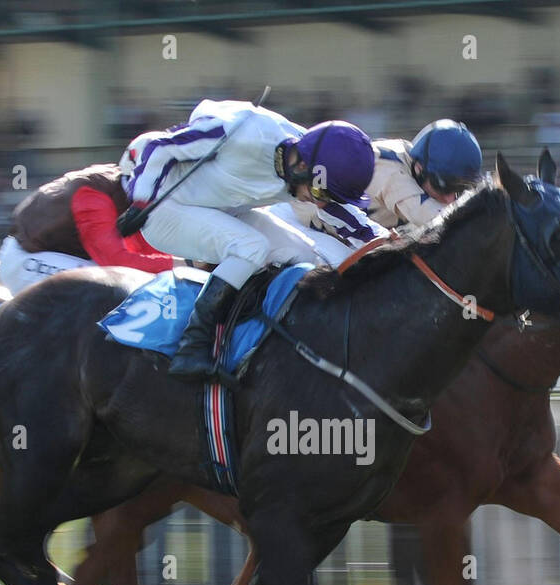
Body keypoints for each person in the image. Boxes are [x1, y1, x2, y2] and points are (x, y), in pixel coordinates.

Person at [118, 100, 383, 383]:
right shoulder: (243, 133)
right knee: (251, 246)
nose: (318, 202)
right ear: (303, 164)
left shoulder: (312, 162)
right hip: (165, 209)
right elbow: (159, 146)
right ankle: (192, 347)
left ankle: (264, 335)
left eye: (328, 195)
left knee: (304, 256)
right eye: (319, 192)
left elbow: (345, 215)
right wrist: (141, 200)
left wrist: (389, 244)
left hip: (220, 208)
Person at [0, 163, 175, 295]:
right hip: (26, 258)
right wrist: (177, 264)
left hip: (58, 254)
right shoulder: (93, 196)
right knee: (107, 286)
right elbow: (115, 259)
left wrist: (180, 263)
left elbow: (145, 249)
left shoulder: (129, 190)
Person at [364, 119, 484, 230]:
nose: (450, 199)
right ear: (418, 169)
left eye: (460, 188)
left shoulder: (415, 159)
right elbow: (440, 221)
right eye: (444, 186)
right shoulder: (390, 171)